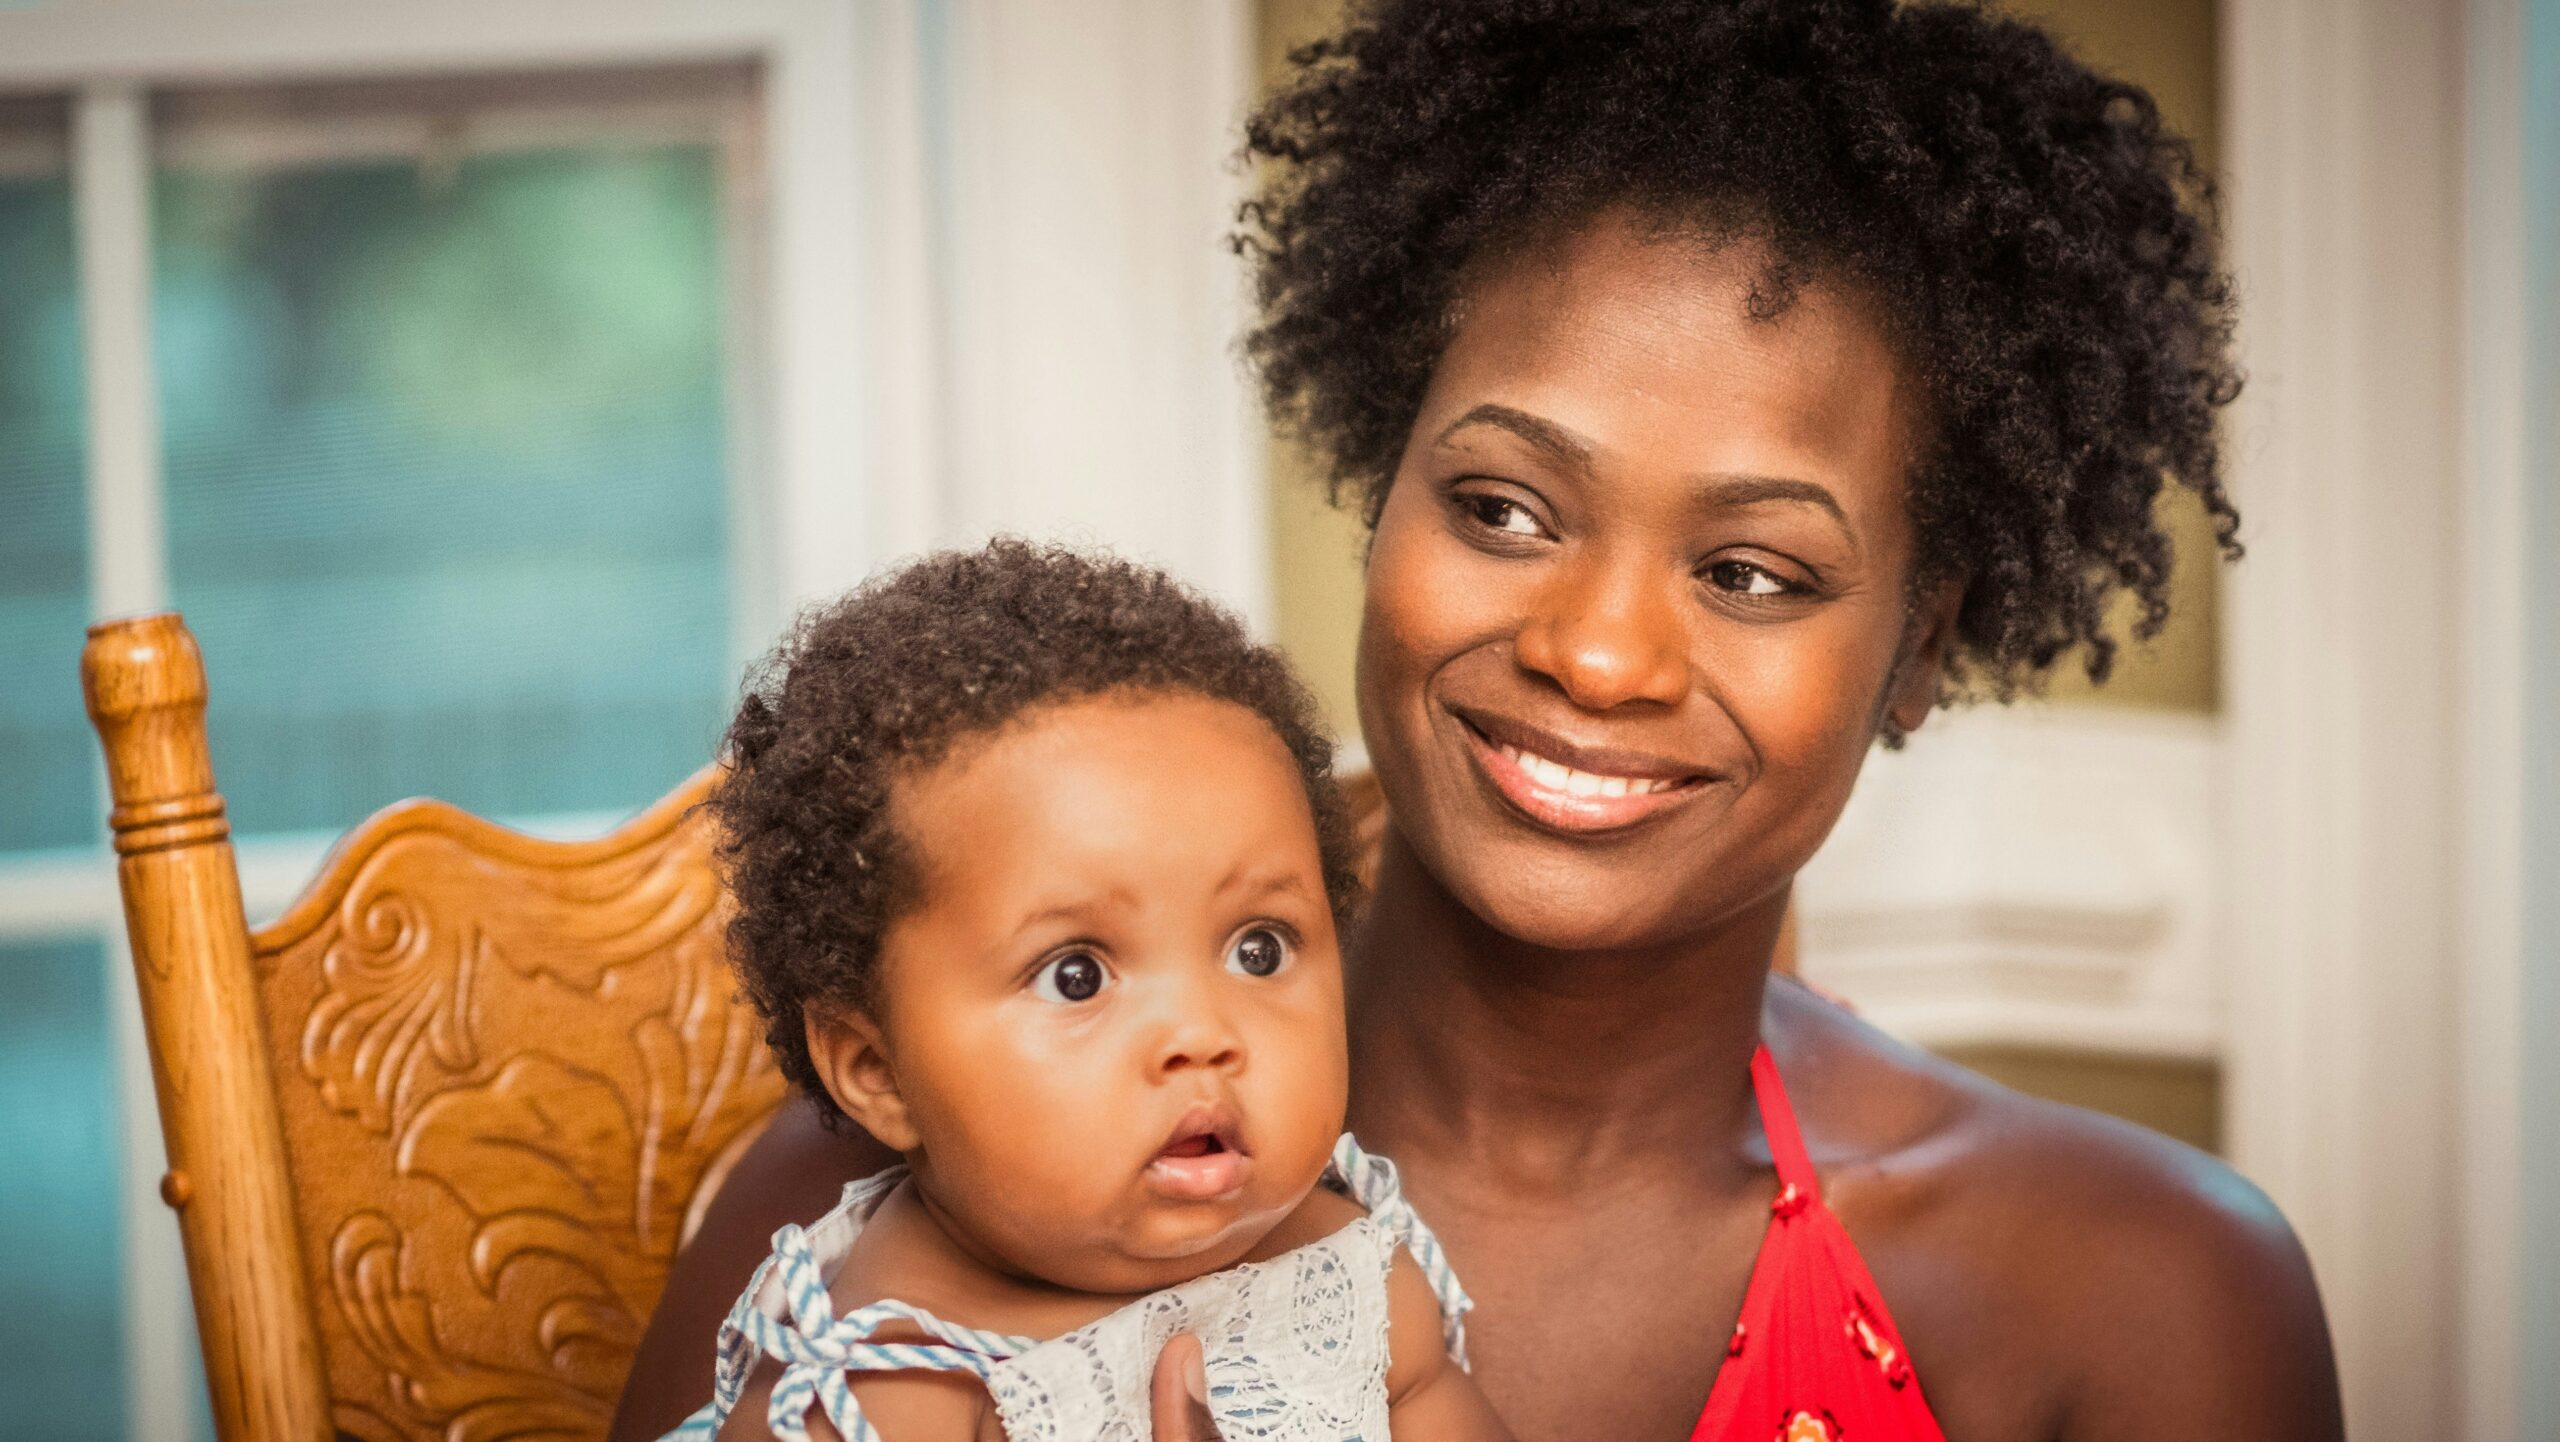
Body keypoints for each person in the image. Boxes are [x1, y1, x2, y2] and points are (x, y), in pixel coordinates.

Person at [615, 2, 2343, 1439]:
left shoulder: (2138, 1298)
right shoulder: (882, 1227)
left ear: (1918, 649)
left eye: (1751, 570)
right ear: (1385, 491)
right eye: (1507, 508)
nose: (1598, 654)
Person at [673, 542, 1506, 1442]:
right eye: (1078, 976)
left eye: (1258, 950)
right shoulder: (880, 1387)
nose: (1201, 1032)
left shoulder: (1350, 1281)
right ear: (877, 1069)